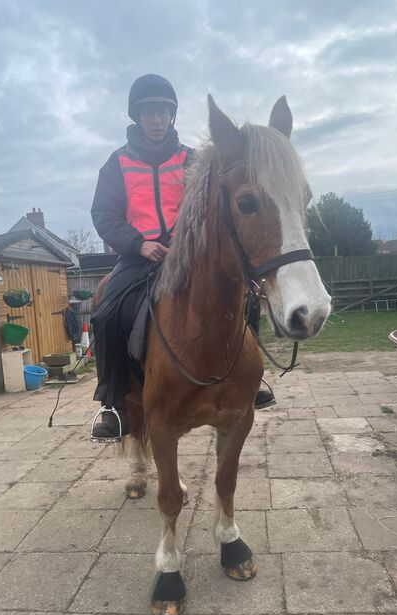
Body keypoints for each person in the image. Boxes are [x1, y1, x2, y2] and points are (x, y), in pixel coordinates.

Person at [90, 74, 275, 442]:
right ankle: (114, 403)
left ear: (171, 116)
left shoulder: (191, 159)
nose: (157, 120)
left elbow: (212, 206)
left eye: (163, 113)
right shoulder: (118, 163)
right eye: (149, 113)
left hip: (189, 252)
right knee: (106, 312)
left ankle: (250, 379)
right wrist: (139, 243)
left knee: (244, 292)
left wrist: (187, 242)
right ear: (137, 117)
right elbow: (104, 215)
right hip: (139, 254)